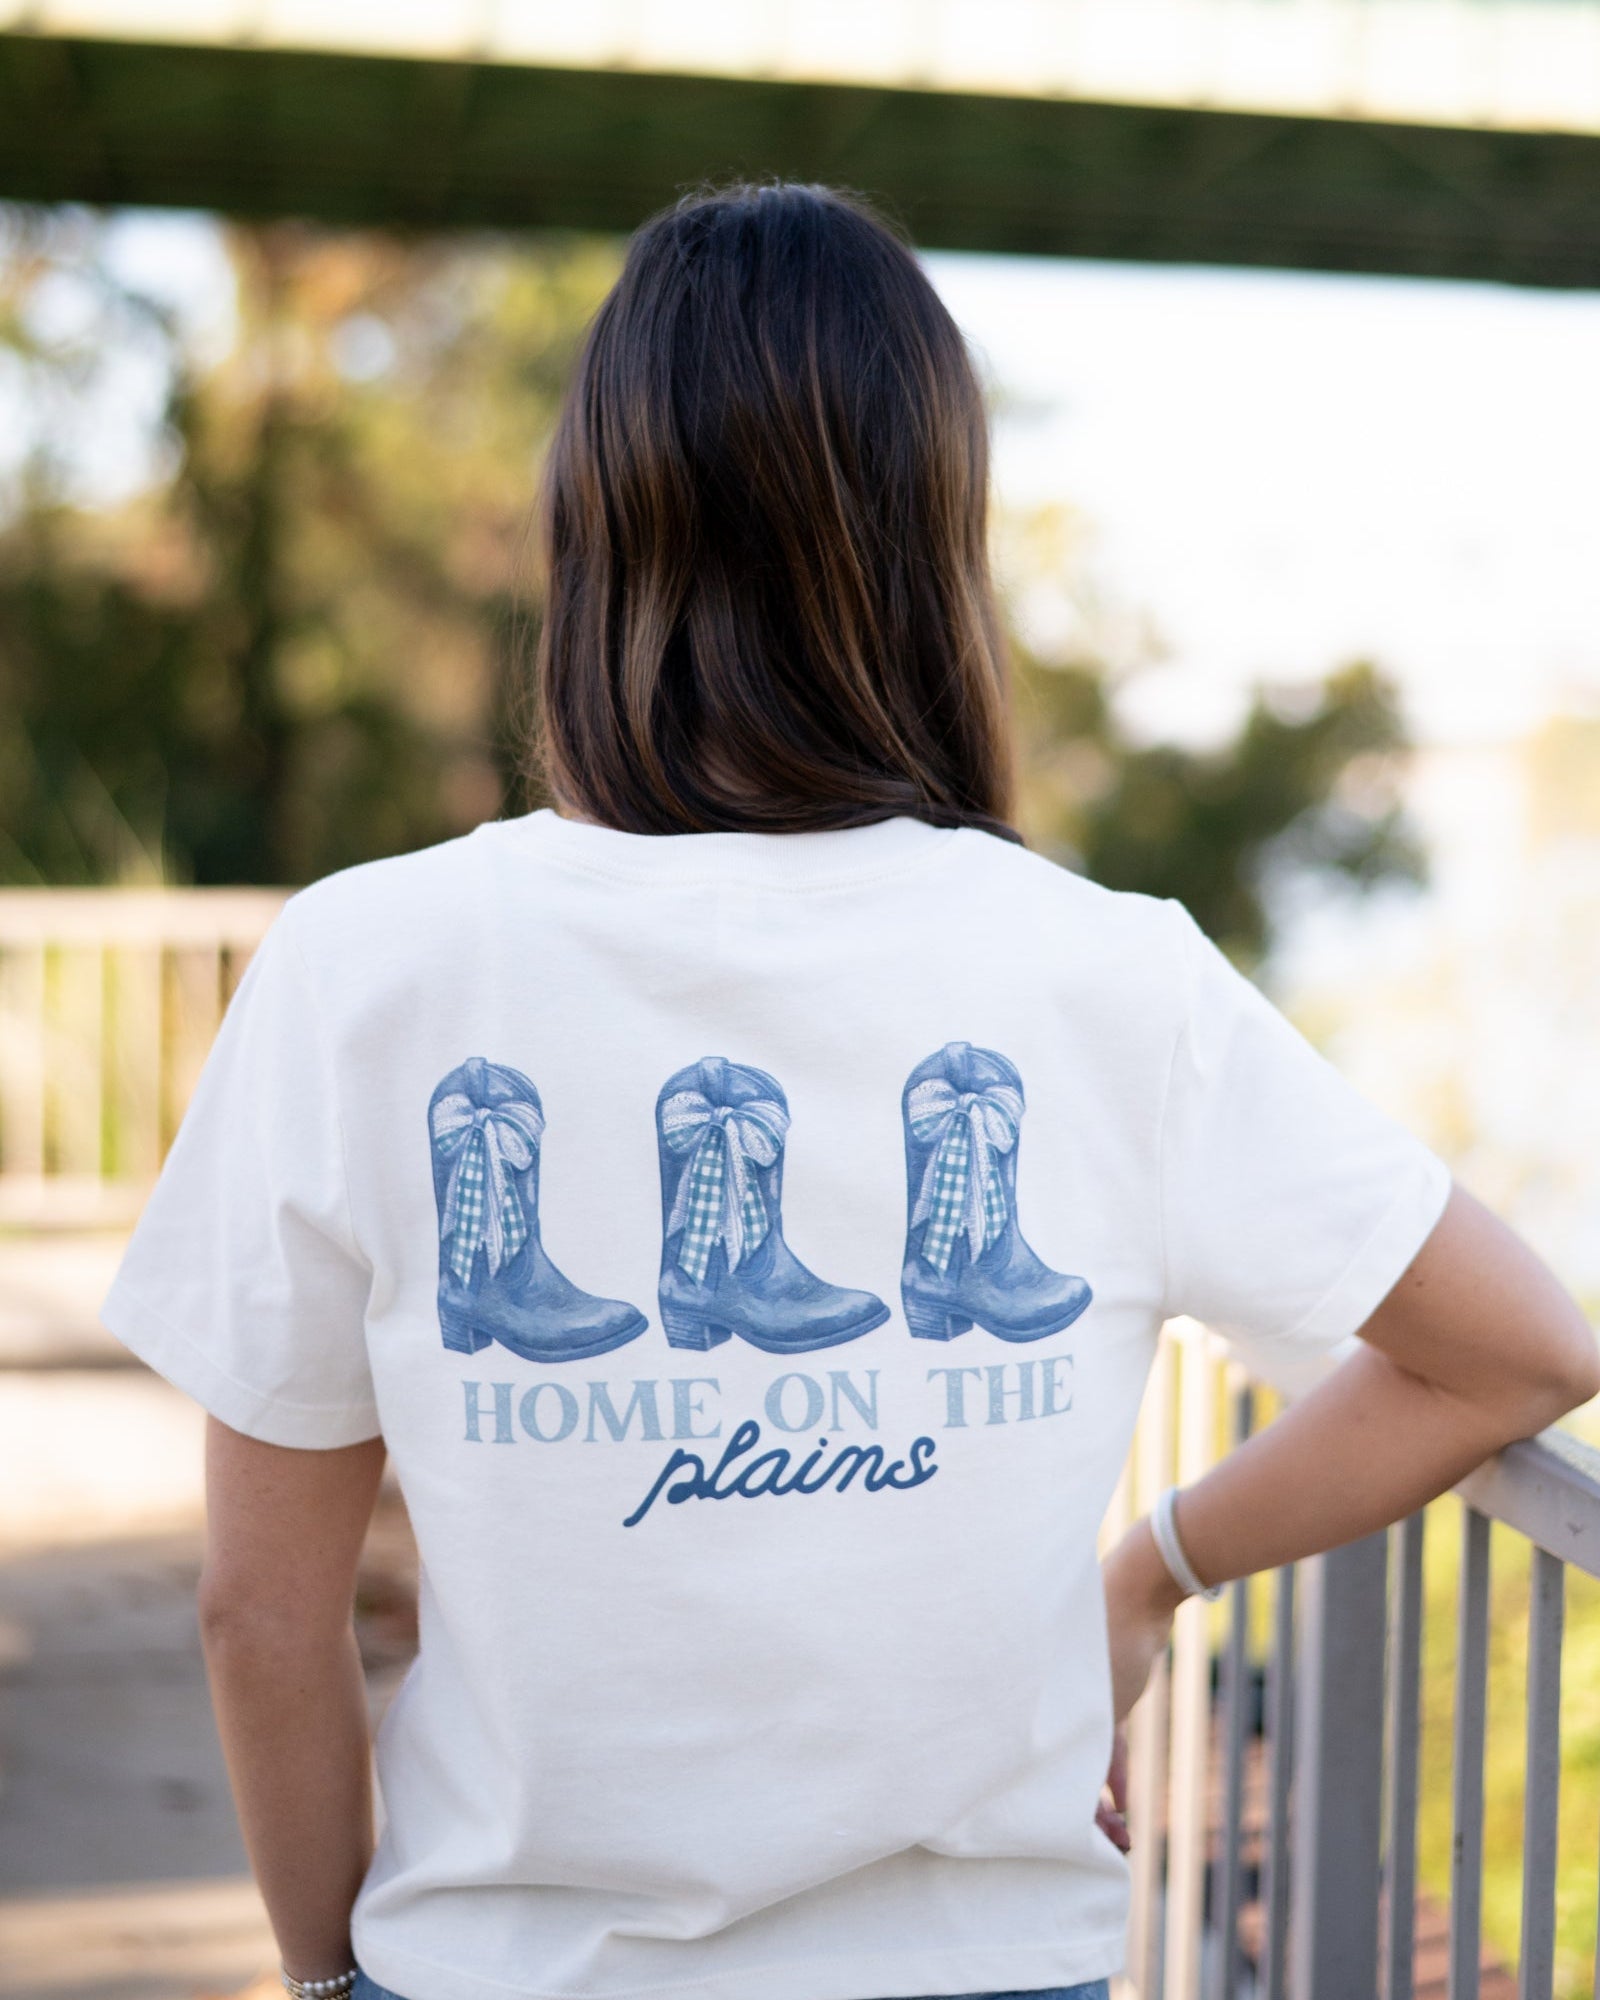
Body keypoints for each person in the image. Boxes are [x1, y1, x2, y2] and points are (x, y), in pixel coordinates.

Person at [100, 182, 1598, 2000]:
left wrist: (339, 1981)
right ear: (928, 549)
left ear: (595, 532)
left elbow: (261, 1610)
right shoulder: (1104, 973)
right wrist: (1152, 1574)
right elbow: (1515, 1347)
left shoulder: (364, 964)